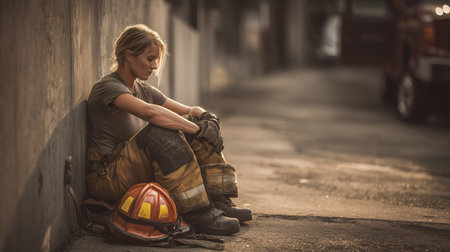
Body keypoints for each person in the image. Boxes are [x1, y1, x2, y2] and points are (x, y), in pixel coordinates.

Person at [86, 24, 251, 236]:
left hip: (129, 169)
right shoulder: (107, 87)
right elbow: (150, 113)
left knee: (197, 123)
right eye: (149, 58)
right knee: (162, 130)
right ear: (128, 55)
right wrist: (196, 129)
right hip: (107, 178)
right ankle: (198, 213)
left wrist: (207, 118)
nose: (154, 66)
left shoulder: (142, 89)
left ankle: (219, 200)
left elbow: (190, 110)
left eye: (156, 59)